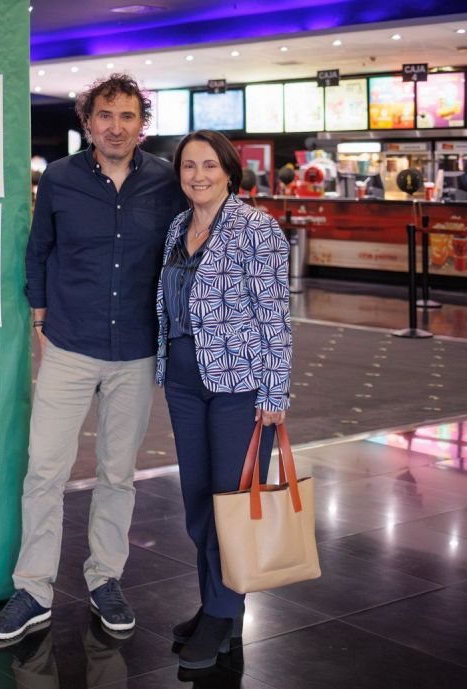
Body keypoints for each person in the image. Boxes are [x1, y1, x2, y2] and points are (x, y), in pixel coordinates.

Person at [0, 73, 185, 644]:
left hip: (137, 351)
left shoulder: (166, 183)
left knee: (117, 474)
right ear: (87, 121)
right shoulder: (61, 178)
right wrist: (41, 317)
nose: (116, 127)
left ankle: (106, 579)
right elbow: (39, 250)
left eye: (127, 116)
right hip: (70, 345)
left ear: (141, 124)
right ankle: (33, 590)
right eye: (105, 115)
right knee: (45, 470)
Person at [154, 130, 291, 670]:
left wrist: (275, 391)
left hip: (240, 387)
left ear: (229, 172)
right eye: (189, 166)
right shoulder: (176, 228)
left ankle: (221, 612)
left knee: (231, 504)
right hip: (186, 381)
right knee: (198, 500)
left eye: (209, 165)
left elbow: (276, 316)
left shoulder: (257, 228)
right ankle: (218, 609)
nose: (198, 176)